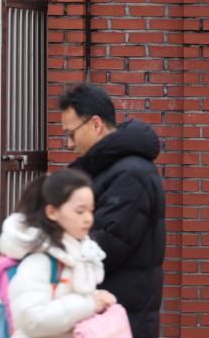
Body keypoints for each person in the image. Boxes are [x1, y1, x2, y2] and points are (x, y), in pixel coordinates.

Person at [59, 82, 165, 338]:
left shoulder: (131, 174)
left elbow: (106, 245)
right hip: (106, 313)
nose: (69, 144)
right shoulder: (106, 169)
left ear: (95, 124)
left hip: (120, 317)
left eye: (71, 134)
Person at [0, 168, 116, 338]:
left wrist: (96, 299)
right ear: (52, 212)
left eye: (91, 211)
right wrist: (90, 304)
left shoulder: (77, 252)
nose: (88, 218)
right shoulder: (41, 260)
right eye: (80, 211)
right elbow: (29, 318)